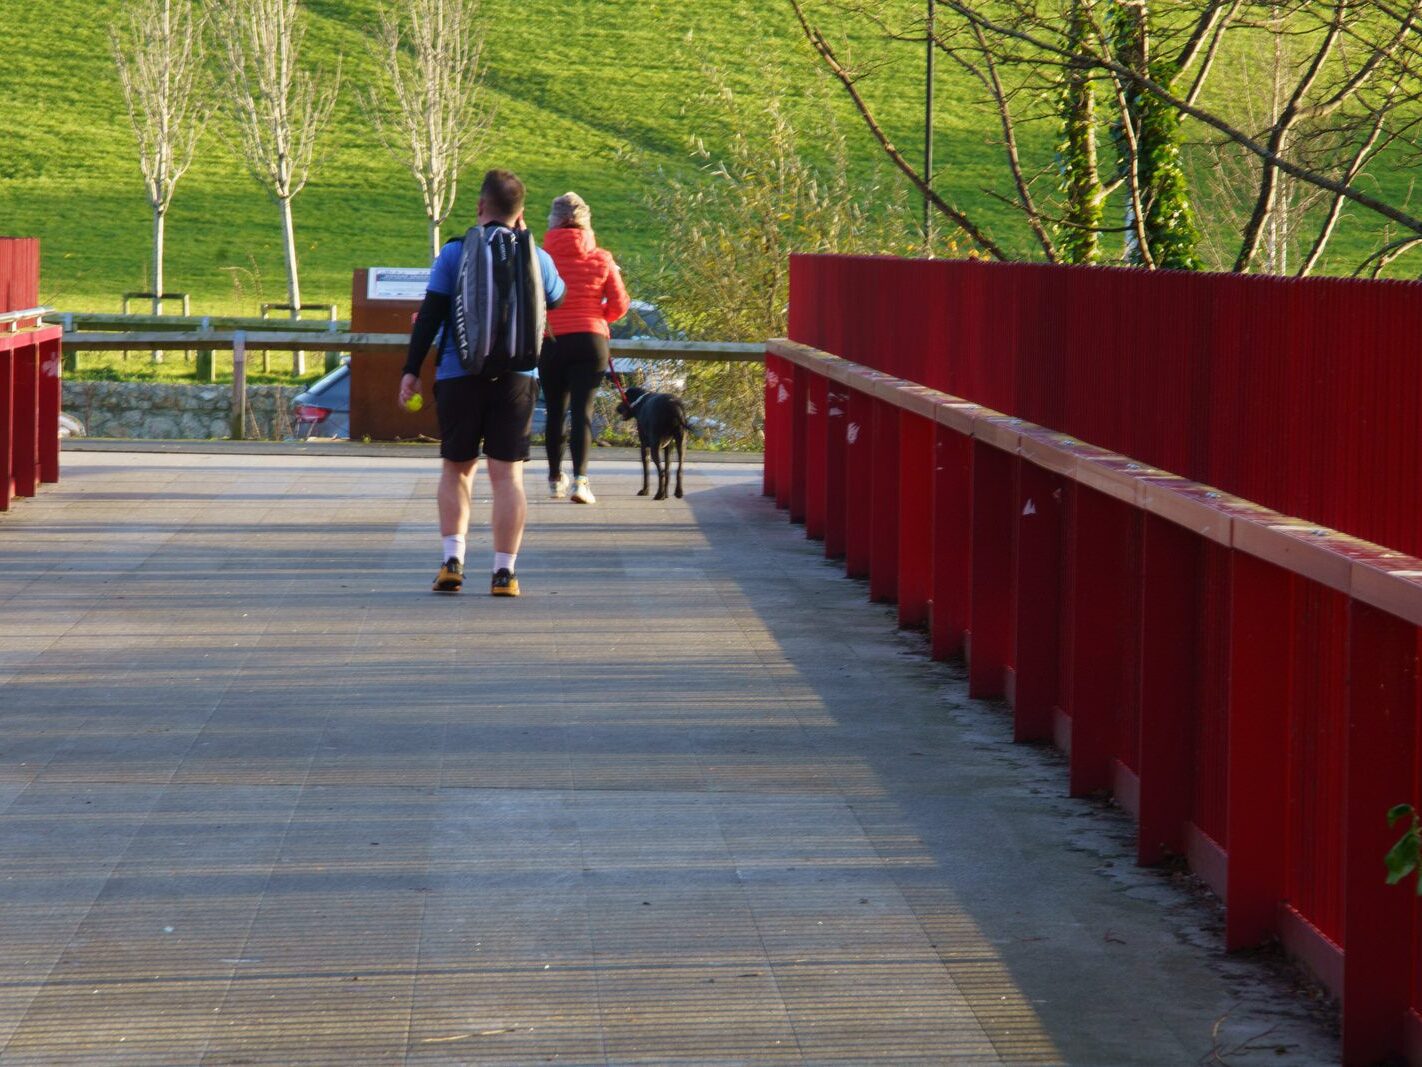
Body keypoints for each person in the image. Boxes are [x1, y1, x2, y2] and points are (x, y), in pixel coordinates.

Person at [399, 169, 565, 597]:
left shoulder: (455, 253)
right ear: (521, 212)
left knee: (457, 469)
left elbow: (432, 314)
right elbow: (557, 297)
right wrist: (526, 245)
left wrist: (411, 370)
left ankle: (452, 562)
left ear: (479, 207)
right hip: (518, 378)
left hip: (459, 375)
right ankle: (504, 574)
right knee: (507, 476)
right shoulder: (538, 257)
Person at [539, 192, 630, 504]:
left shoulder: (540, 258)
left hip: (551, 340)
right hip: (590, 342)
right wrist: (596, 317)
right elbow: (620, 304)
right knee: (582, 412)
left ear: (552, 221)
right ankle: (580, 481)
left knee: (554, 411)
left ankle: (554, 479)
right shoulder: (602, 258)